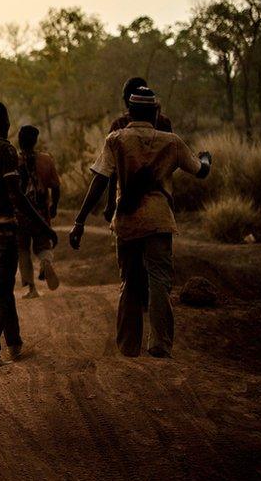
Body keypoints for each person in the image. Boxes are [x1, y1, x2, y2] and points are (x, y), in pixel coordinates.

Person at [69, 87, 211, 358]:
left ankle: (128, 345)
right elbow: (200, 171)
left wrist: (80, 220)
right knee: (159, 280)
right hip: (159, 220)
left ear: (129, 112)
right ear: (156, 113)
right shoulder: (172, 142)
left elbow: (100, 179)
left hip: (127, 220)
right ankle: (159, 343)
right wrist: (206, 158)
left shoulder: (116, 139)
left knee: (130, 281)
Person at [0, 101, 59, 370]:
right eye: (7, 120)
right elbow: (16, 194)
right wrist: (44, 226)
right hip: (2, 230)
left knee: (2, 286)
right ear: (3, 121)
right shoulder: (6, 150)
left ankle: (15, 343)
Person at [103, 77, 173, 222]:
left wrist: (110, 203)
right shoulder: (164, 123)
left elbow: (111, 168)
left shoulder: (119, 125)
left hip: (128, 198)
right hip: (160, 195)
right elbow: (171, 161)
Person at [16, 125, 61, 298]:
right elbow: (56, 187)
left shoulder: (13, 161)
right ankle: (45, 262)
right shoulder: (46, 160)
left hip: (19, 214)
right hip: (41, 212)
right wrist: (54, 206)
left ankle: (31, 289)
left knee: (23, 250)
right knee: (43, 245)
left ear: (19, 141)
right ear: (35, 141)